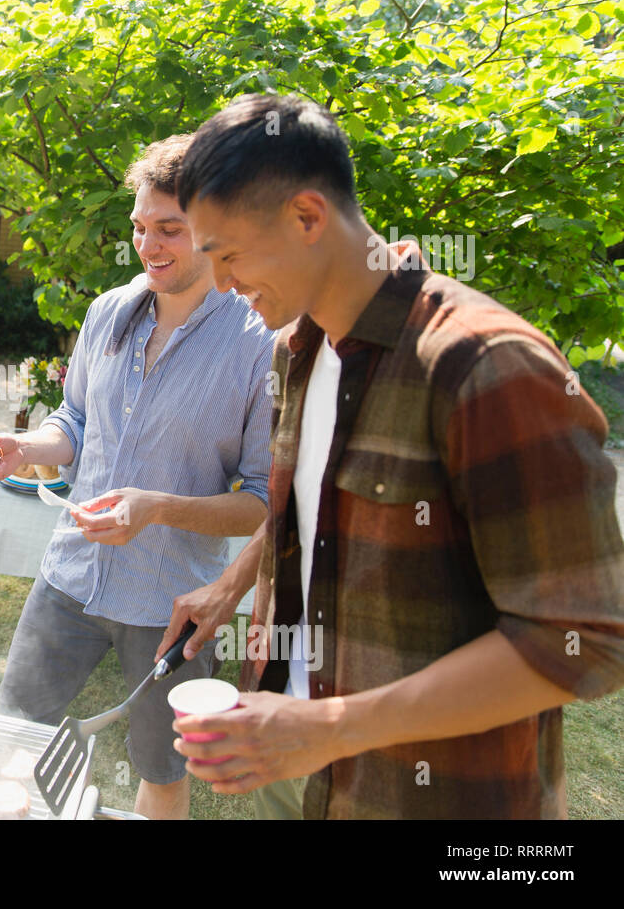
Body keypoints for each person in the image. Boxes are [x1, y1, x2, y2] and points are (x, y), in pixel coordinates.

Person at [160, 93, 624, 818]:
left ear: (308, 217)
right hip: (300, 779)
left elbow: (586, 640)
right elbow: (312, 509)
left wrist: (330, 728)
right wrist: (233, 588)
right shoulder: (296, 351)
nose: (219, 282)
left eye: (227, 254)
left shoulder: (484, 365)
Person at [0, 135, 275, 820]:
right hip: (69, 578)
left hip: (171, 601)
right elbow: (74, 426)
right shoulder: (108, 311)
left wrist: (155, 508)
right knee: (10, 729)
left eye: (170, 229)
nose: (149, 246)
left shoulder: (259, 342)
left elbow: (262, 503)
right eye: (140, 228)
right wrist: (24, 445)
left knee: (162, 768)